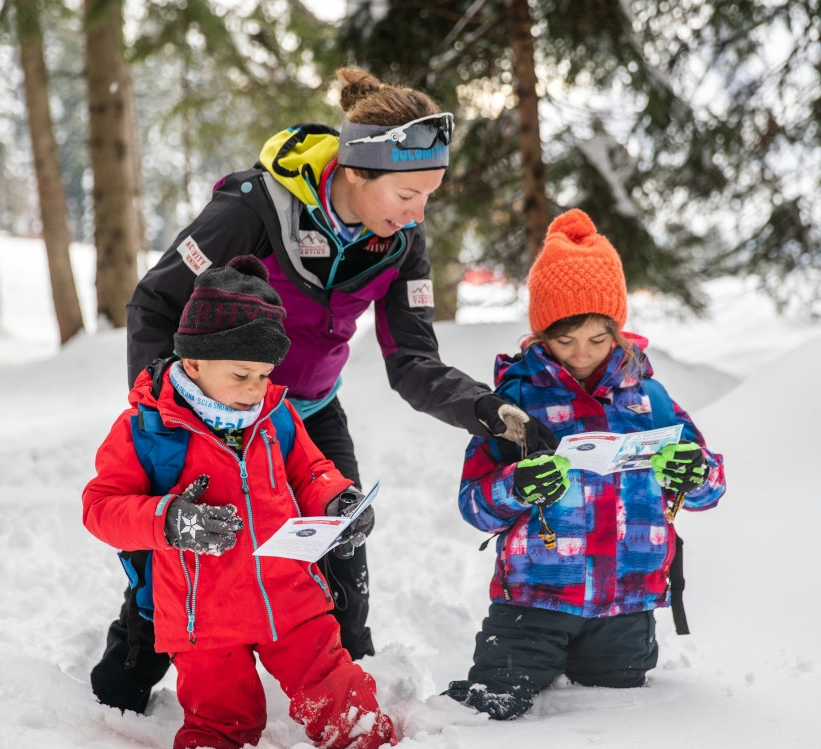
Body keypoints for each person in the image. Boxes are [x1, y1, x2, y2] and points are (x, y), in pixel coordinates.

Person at [91, 66, 547, 713]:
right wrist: (164, 412)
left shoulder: (400, 243)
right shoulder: (253, 208)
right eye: (408, 194)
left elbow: (413, 361)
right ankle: (122, 691)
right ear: (357, 172)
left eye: (428, 196)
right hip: (208, 417)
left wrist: (487, 408)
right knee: (177, 561)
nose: (418, 214)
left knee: (343, 553)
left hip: (307, 413)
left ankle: (348, 704)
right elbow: (155, 301)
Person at [82, 255, 397, 749]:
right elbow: (101, 508)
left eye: (265, 374)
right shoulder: (148, 427)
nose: (256, 390)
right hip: (204, 615)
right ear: (194, 363)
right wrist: (170, 520)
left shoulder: (275, 414)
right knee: (219, 725)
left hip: (290, 596)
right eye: (242, 374)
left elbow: (310, 471)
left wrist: (339, 501)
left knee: (340, 694)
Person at [444, 209, 726, 720]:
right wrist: (517, 485)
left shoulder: (650, 400)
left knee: (615, 719)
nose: (581, 354)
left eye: (598, 339)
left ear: (618, 331)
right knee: (489, 711)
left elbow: (709, 488)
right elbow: (474, 505)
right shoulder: (515, 402)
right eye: (564, 340)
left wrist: (695, 472)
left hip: (626, 606)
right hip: (534, 602)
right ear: (541, 335)